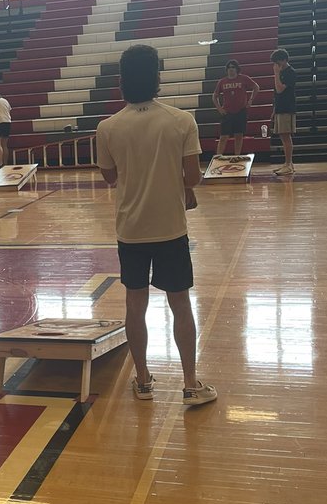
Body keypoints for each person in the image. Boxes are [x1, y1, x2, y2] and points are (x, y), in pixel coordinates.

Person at [96, 44, 217, 407]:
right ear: (157, 78)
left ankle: (144, 380)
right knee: (180, 303)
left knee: (136, 304)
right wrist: (178, 187)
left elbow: (110, 177)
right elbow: (193, 177)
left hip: (130, 231)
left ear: (121, 81)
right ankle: (191, 384)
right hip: (170, 230)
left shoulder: (108, 127)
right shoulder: (181, 121)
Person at [212, 60, 259, 157]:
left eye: (233, 67)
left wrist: (250, 101)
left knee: (239, 135)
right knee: (224, 136)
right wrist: (219, 108)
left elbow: (256, 87)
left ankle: (237, 155)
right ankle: (218, 156)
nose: (231, 69)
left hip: (241, 111)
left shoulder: (244, 78)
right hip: (227, 112)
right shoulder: (222, 81)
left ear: (237, 69)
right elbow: (215, 95)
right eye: (229, 67)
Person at [271, 47, 297, 175]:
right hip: (280, 107)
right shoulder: (282, 72)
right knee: (282, 135)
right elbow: (277, 93)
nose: (276, 65)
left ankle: (288, 164)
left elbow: (280, 89)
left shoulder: (290, 72)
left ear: (284, 60)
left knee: (286, 136)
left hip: (287, 107)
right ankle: (289, 164)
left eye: (277, 62)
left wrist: (276, 74)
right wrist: (274, 109)